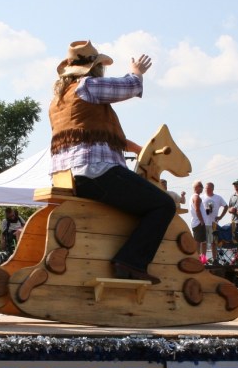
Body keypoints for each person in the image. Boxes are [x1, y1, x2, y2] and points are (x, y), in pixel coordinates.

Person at [49, 40, 175, 284]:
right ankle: (131, 261)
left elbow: (90, 134)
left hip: (67, 175)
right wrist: (137, 71)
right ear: (94, 67)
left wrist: (139, 149)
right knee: (163, 205)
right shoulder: (87, 86)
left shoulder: (58, 101)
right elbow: (130, 86)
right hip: (96, 172)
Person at [203, 182, 228, 263]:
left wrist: (220, 217)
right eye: (206, 188)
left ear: (212, 189)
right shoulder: (202, 197)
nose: (206, 189)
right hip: (204, 223)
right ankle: (203, 259)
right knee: (204, 242)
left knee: (213, 242)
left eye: (208, 188)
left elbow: (226, 206)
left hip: (213, 224)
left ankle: (215, 259)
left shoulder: (218, 197)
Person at [189, 181, 208, 258]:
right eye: (201, 186)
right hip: (198, 223)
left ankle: (201, 258)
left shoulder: (193, 197)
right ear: (196, 187)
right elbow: (197, 209)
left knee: (201, 241)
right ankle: (198, 258)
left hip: (195, 222)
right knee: (199, 242)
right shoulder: (196, 197)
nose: (202, 188)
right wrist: (202, 221)